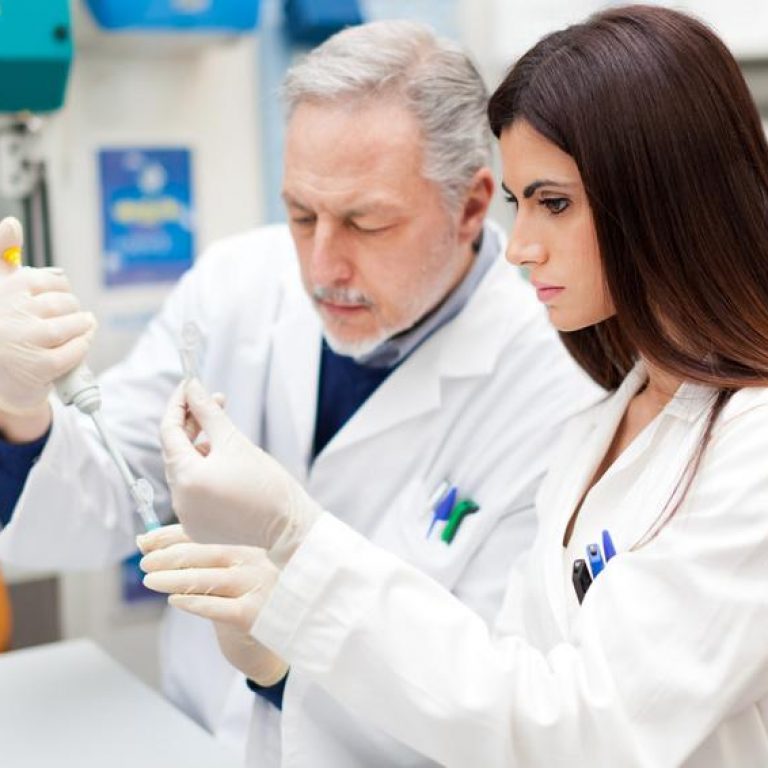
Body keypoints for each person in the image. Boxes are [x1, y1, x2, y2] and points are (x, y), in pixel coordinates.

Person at [139, 5, 768, 766]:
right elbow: (501, 688)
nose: (521, 248)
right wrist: (282, 651)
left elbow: (588, 731)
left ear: (663, 194)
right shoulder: (610, 419)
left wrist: (299, 540)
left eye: (554, 203)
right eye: (520, 204)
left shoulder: (751, 449)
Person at [0, 20, 597, 767]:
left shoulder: (557, 390)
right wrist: (18, 409)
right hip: (187, 739)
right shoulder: (235, 285)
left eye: (365, 222)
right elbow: (107, 497)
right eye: (301, 214)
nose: (322, 265)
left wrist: (289, 665)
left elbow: (499, 703)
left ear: (473, 205)